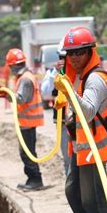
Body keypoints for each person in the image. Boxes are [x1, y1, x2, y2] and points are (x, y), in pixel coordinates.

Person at [53, 26, 107, 213]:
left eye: (80, 52)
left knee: (95, 200)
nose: (74, 57)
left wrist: (68, 92)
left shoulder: (96, 79)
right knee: (73, 192)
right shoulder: (78, 76)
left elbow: (88, 110)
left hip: (95, 149)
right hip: (82, 147)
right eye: (70, 53)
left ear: (90, 52)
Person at [0, 48, 45, 191]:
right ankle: (33, 178)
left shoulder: (25, 79)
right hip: (27, 121)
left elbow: (21, 99)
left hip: (27, 121)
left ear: (12, 65)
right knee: (27, 151)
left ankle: (35, 179)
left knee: (27, 152)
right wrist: (5, 94)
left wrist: (6, 93)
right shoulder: (27, 76)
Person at [41, 38, 69, 176]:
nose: (66, 60)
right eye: (62, 57)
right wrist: (56, 74)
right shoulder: (53, 73)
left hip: (81, 123)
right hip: (63, 122)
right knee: (68, 159)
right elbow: (46, 93)